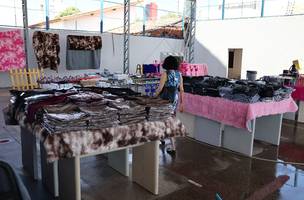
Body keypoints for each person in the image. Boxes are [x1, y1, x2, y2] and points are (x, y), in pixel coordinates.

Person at [155, 56, 184, 154]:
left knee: (163, 119)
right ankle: (164, 139)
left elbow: (160, 88)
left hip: (166, 98)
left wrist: (153, 96)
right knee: (169, 119)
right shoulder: (179, 74)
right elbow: (182, 90)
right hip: (174, 98)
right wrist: (182, 103)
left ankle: (172, 146)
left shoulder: (165, 74)